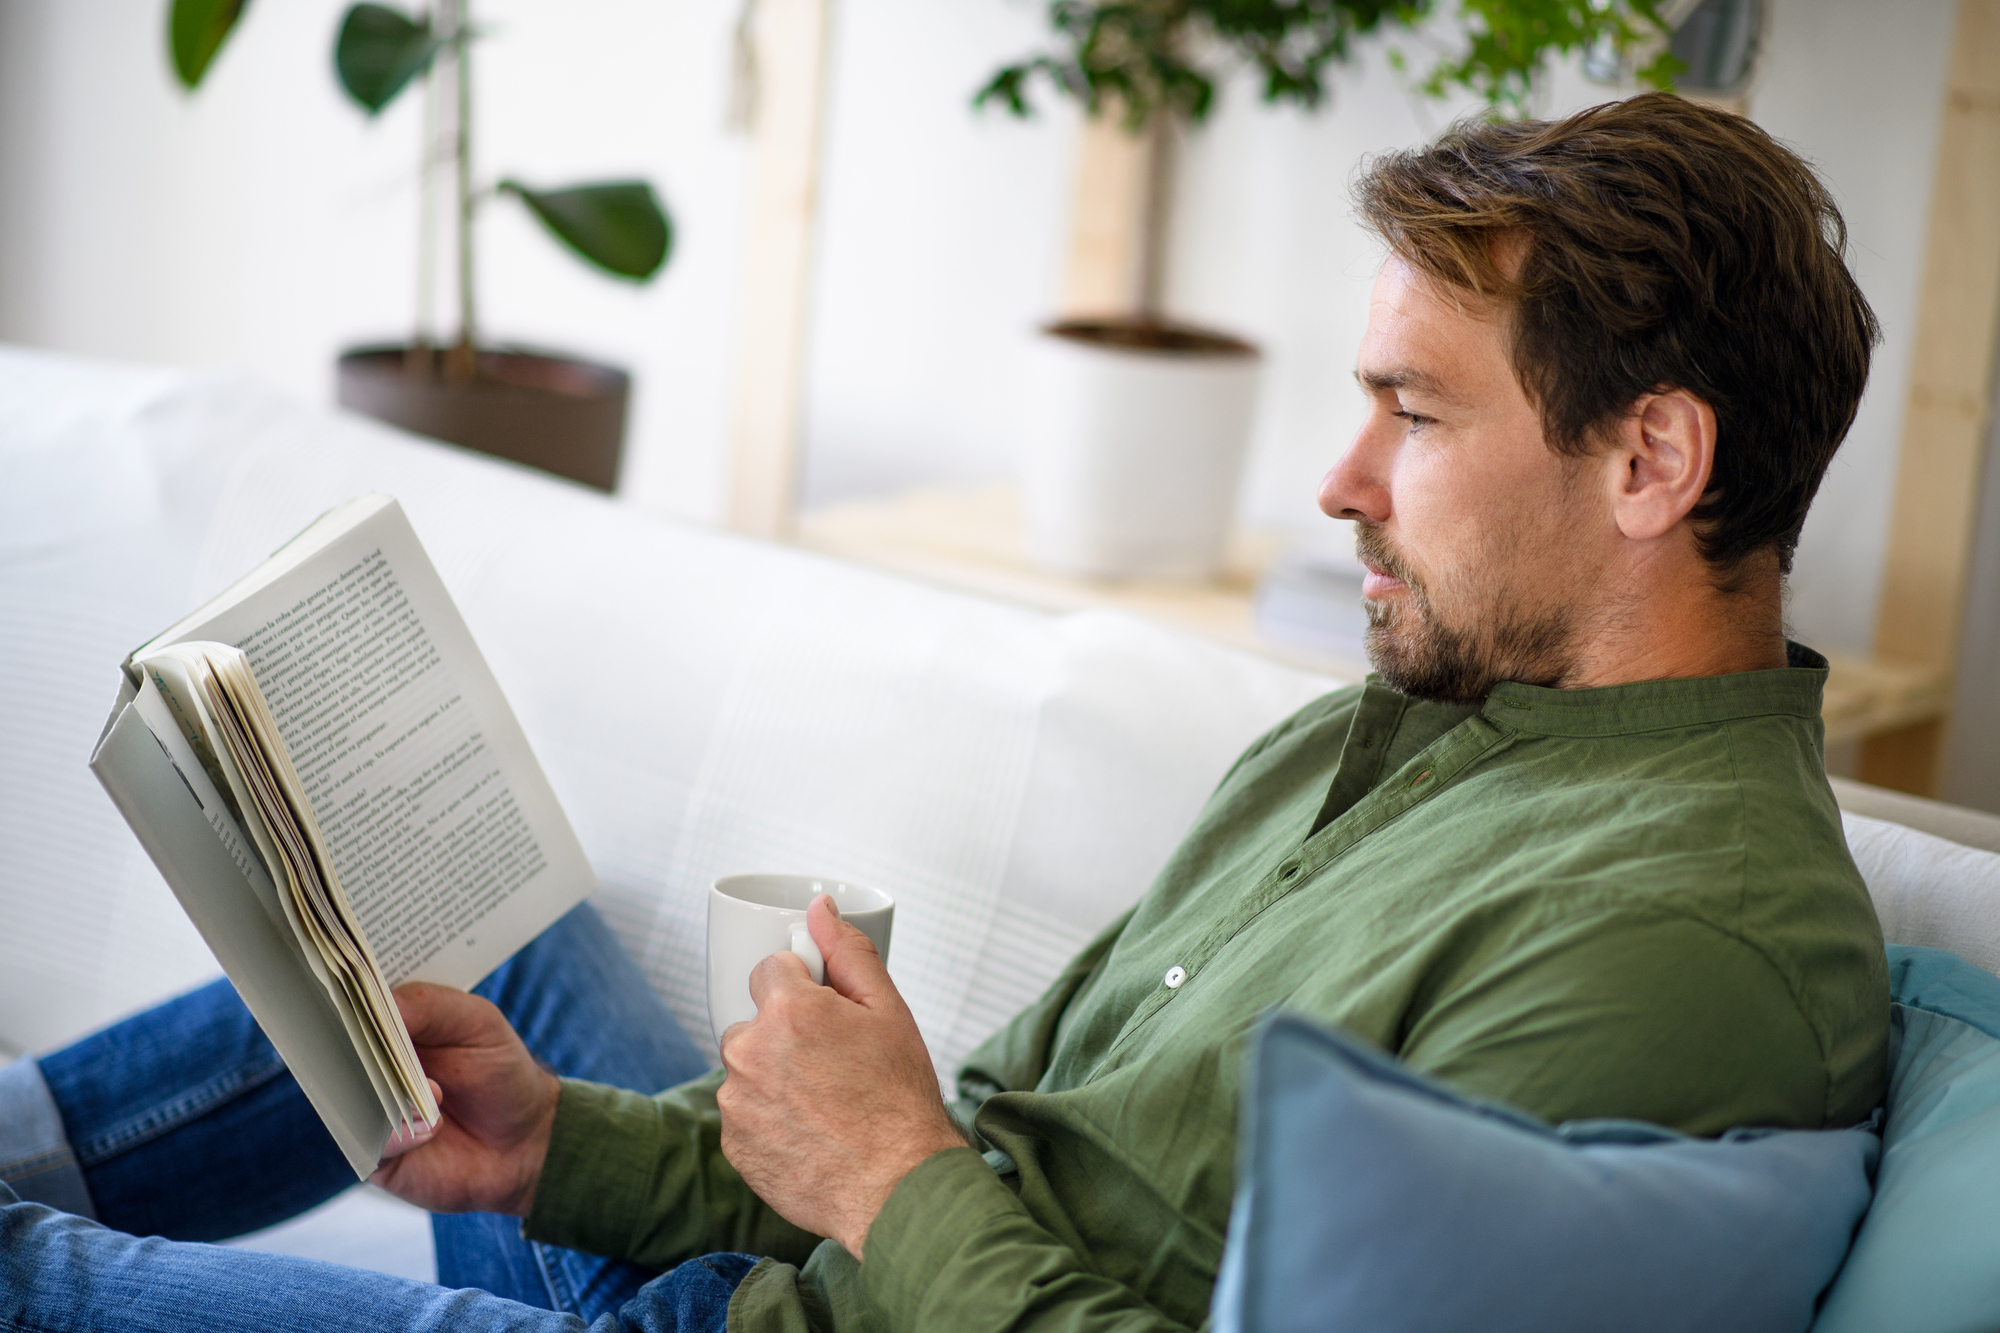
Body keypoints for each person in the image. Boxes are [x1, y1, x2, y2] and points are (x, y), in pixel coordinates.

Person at [1, 90, 1891, 1333]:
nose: (1338, 478)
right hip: (776, 1277)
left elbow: (944, 1188)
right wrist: (561, 1148)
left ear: (1650, 456)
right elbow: (1014, 1158)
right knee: (506, 964)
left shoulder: (1676, 944)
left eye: (1414, 410)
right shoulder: (1393, 727)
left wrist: (889, 1167)